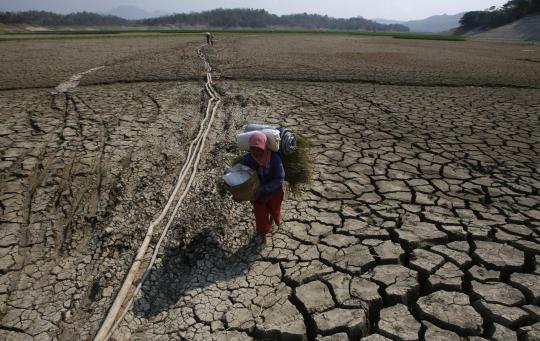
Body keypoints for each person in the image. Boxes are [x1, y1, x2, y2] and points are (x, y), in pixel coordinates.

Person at [242, 131, 285, 241]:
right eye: (253, 148)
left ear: (264, 147)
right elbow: (244, 175)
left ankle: (274, 220)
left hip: (275, 191)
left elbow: (280, 178)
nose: (255, 152)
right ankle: (263, 233)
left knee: (274, 209)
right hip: (258, 195)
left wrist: (265, 188)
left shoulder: (274, 158)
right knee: (260, 216)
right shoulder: (248, 159)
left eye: (259, 149)